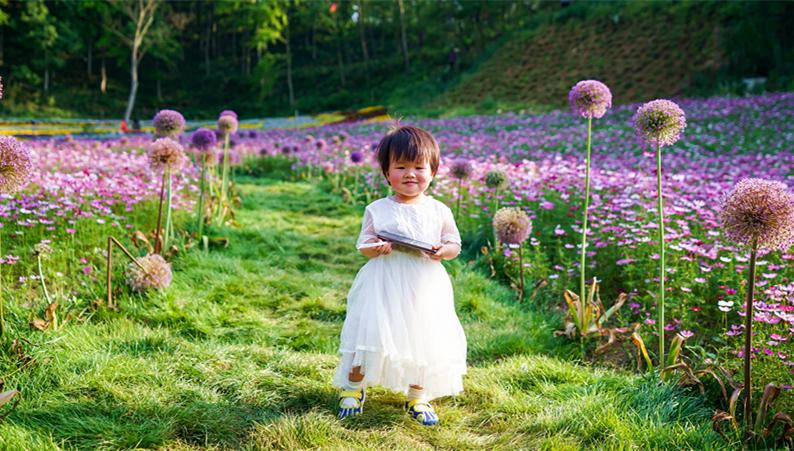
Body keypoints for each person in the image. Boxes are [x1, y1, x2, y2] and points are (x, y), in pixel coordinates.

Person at [333, 125, 467, 426]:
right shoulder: (378, 209)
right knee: (367, 334)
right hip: (383, 281)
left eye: (419, 167)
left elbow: (454, 244)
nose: (410, 174)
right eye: (401, 167)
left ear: (432, 171)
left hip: (424, 283)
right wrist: (376, 247)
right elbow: (362, 245)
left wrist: (441, 250)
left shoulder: (439, 210)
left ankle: (418, 396)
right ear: (386, 173)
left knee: (423, 337)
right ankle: (353, 389)